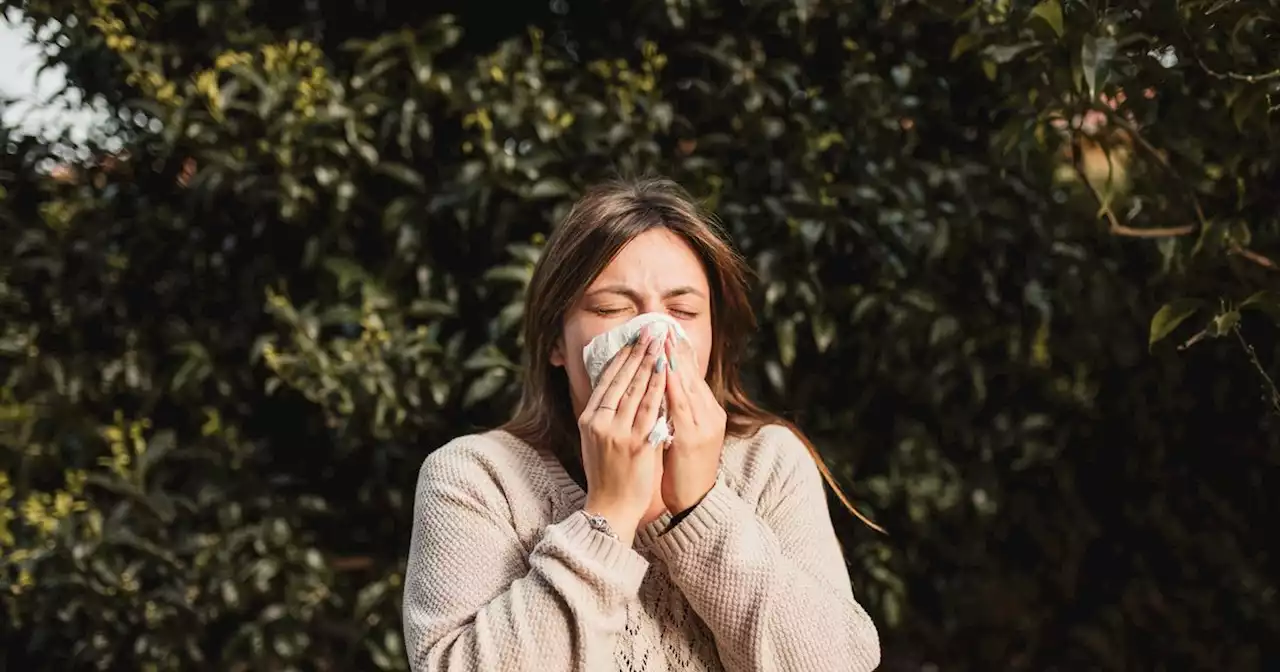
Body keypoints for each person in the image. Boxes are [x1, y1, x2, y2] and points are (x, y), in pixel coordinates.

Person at [402, 177, 881, 671]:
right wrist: (606, 517)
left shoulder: (768, 462)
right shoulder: (474, 478)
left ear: (712, 334)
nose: (654, 336)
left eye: (682, 310)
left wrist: (699, 510)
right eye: (612, 308)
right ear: (555, 341)